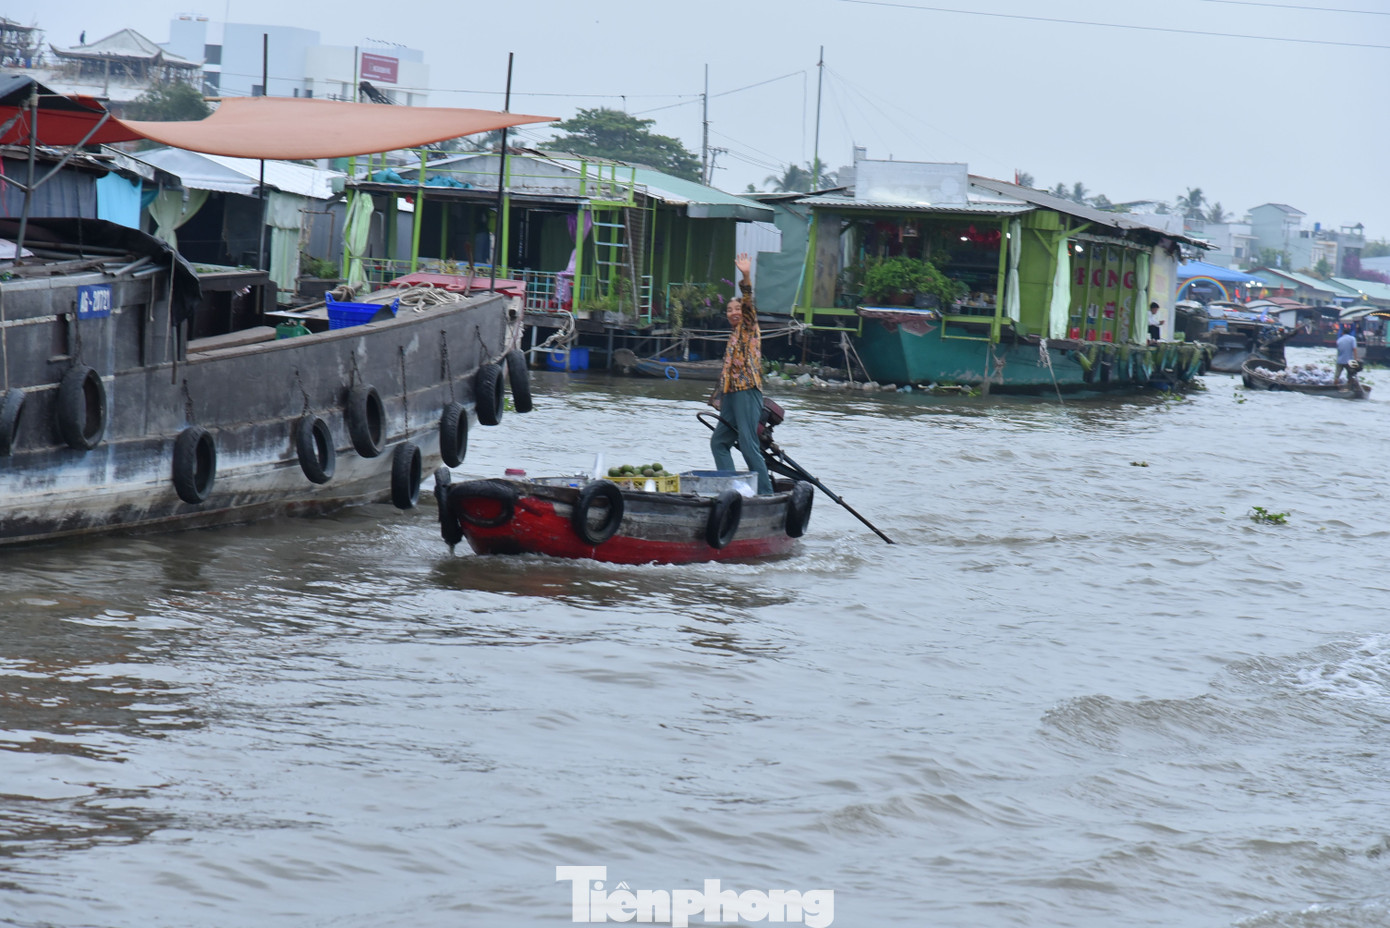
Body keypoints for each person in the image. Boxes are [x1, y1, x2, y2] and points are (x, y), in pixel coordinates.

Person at [709, 252, 773, 495]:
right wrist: (717, 397)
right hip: (731, 394)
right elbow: (726, 370)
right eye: (729, 309)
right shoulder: (733, 336)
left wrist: (745, 274)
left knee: (748, 445)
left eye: (737, 308)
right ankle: (731, 490)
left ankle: (765, 493)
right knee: (719, 442)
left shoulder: (748, 327)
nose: (734, 312)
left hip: (747, 391)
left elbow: (747, 301)